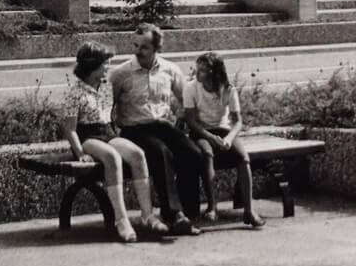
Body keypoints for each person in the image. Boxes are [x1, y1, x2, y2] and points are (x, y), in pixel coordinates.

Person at [61, 42, 170, 242]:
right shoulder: (74, 92)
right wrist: (80, 153)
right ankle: (121, 220)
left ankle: (147, 215)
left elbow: (111, 117)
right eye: (105, 63)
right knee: (112, 157)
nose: (108, 67)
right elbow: (70, 129)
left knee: (137, 154)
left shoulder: (105, 87)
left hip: (107, 132)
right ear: (92, 65)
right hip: (88, 137)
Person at [110, 23, 203, 235]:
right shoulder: (121, 73)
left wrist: (182, 118)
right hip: (135, 130)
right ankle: (173, 214)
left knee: (193, 153)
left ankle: (187, 216)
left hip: (162, 126)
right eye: (135, 45)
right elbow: (108, 106)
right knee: (160, 153)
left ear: (156, 48)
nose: (137, 51)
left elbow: (185, 100)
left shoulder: (170, 70)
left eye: (144, 47)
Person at [183, 52, 265, 227]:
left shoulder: (228, 90)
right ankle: (212, 206)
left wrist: (228, 138)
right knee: (206, 153)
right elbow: (190, 121)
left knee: (243, 158)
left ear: (214, 72)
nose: (198, 74)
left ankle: (249, 210)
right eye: (197, 69)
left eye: (203, 70)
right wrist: (210, 137)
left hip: (223, 129)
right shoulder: (191, 88)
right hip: (201, 132)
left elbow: (237, 122)